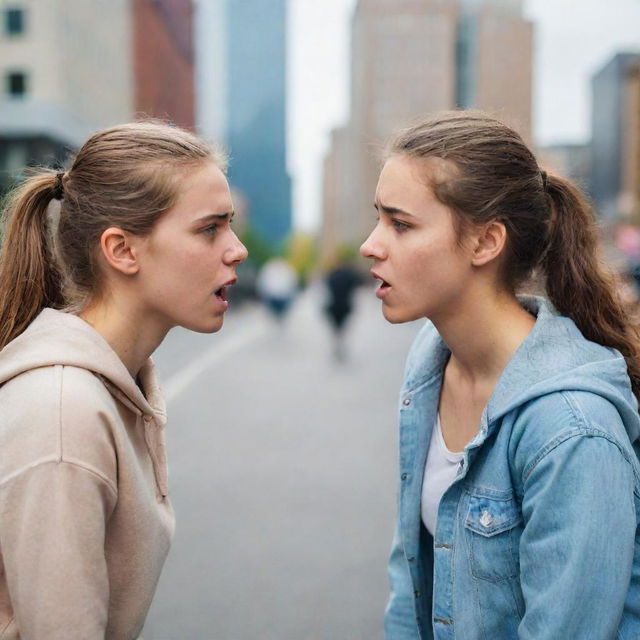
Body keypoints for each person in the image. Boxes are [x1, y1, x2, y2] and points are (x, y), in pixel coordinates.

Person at [359, 111, 640, 639]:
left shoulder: (571, 429)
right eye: (378, 217)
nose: (371, 244)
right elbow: (411, 573)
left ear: (486, 243)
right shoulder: (431, 359)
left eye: (400, 224)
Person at [0, 121, 248, 639]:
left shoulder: (113, 383)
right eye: (210, 229)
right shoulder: (64, 413)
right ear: (122, 251)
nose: (237, 249)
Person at [324, 257, 362, 361]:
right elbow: (356, 285)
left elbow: (327, 288)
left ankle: (338, 343)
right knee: (342, 328)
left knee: (337, 329)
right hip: (345, 305)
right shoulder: (348, 275)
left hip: (334, 305)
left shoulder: (332, 275)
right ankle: (340, 343)